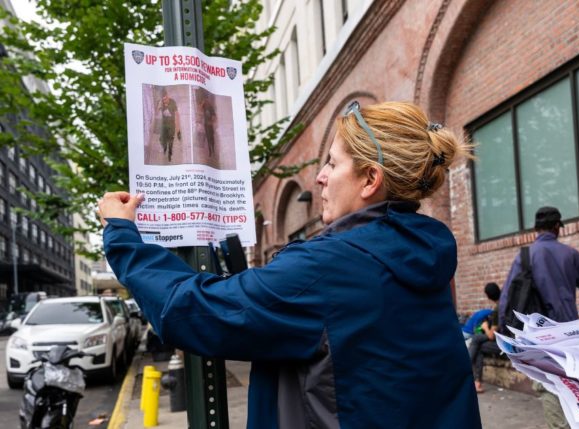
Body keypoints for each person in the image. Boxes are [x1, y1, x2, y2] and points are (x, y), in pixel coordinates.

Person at [97, 101, 482, 428]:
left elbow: (191, 310)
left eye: (332, 164)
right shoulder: (429, 251)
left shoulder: (326, 267)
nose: (320, 177)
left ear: (369, 179)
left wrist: (122, 234)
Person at [497, 206, 579, 429]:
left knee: (548, 385)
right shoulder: (570, 254)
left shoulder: (524, 256)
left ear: (536, 229)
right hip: (569, 333)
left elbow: (507, 298)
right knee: (574, 382)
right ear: (558, 227)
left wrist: (503, 329)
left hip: (538, 336)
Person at [467, 282, 502, 393]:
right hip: (505, 339)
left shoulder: (498, 309)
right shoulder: (504, 304)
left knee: (477, 341)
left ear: (488, 296)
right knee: (477, 342)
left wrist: (485, 327)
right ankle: (477, 384)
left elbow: (491, 336)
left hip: (504, 344)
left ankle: (464, 369)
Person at [157, 88, 180, 162]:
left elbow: (177, 115)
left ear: (167, 96)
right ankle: (165, 148)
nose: (164, 101)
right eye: (163, 99)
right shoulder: (161, 103)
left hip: (171, 125)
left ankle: (170, 153)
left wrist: (178, 130)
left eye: (165, 98)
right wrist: (160, 104)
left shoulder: (173, 102)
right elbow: (157, 112)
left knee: (170, 141)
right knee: (162, 139)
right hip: (164, 125)